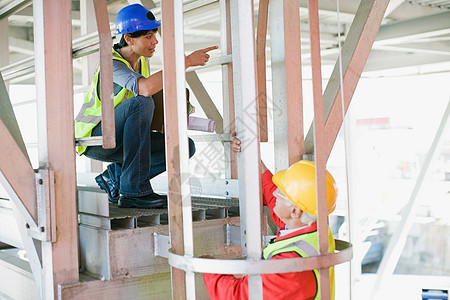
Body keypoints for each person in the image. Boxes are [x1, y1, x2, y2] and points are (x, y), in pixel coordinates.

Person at [75, 4, 217, 209]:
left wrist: (166, 119)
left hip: (119, 137)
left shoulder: (141, 61)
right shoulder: (111, 64)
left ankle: (115, 178)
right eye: (148, 36)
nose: (155, 41)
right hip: (95, 138)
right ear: (129, 39)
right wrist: (184, 62)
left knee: (184, 146)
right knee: (142, 101)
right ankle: (133, 190)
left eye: (154, 35)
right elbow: (145, 90)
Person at [202, 136, 338, 299]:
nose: (274, 193)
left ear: (295, 211)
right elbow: (275, 197)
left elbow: (238, 295)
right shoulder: (313, 229)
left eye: (280, 193)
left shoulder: (290, 269)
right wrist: (252, 157)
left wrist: (207, 267)